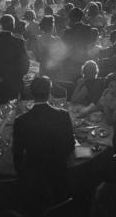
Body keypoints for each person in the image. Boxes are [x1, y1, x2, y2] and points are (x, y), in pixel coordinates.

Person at [12, 76, 75, 207]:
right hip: (59, 174)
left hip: (33, 178)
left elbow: (17, 154)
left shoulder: (21, 120)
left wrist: (23, 177)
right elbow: (70, 146)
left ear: (31, 92)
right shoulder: (63, 115)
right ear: (50, 92)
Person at [0, 15, 29, 104]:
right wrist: (21, 74)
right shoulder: (19, 42)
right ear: (13, 26)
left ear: (1, 25)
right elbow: (25, 62)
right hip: (15, 80)